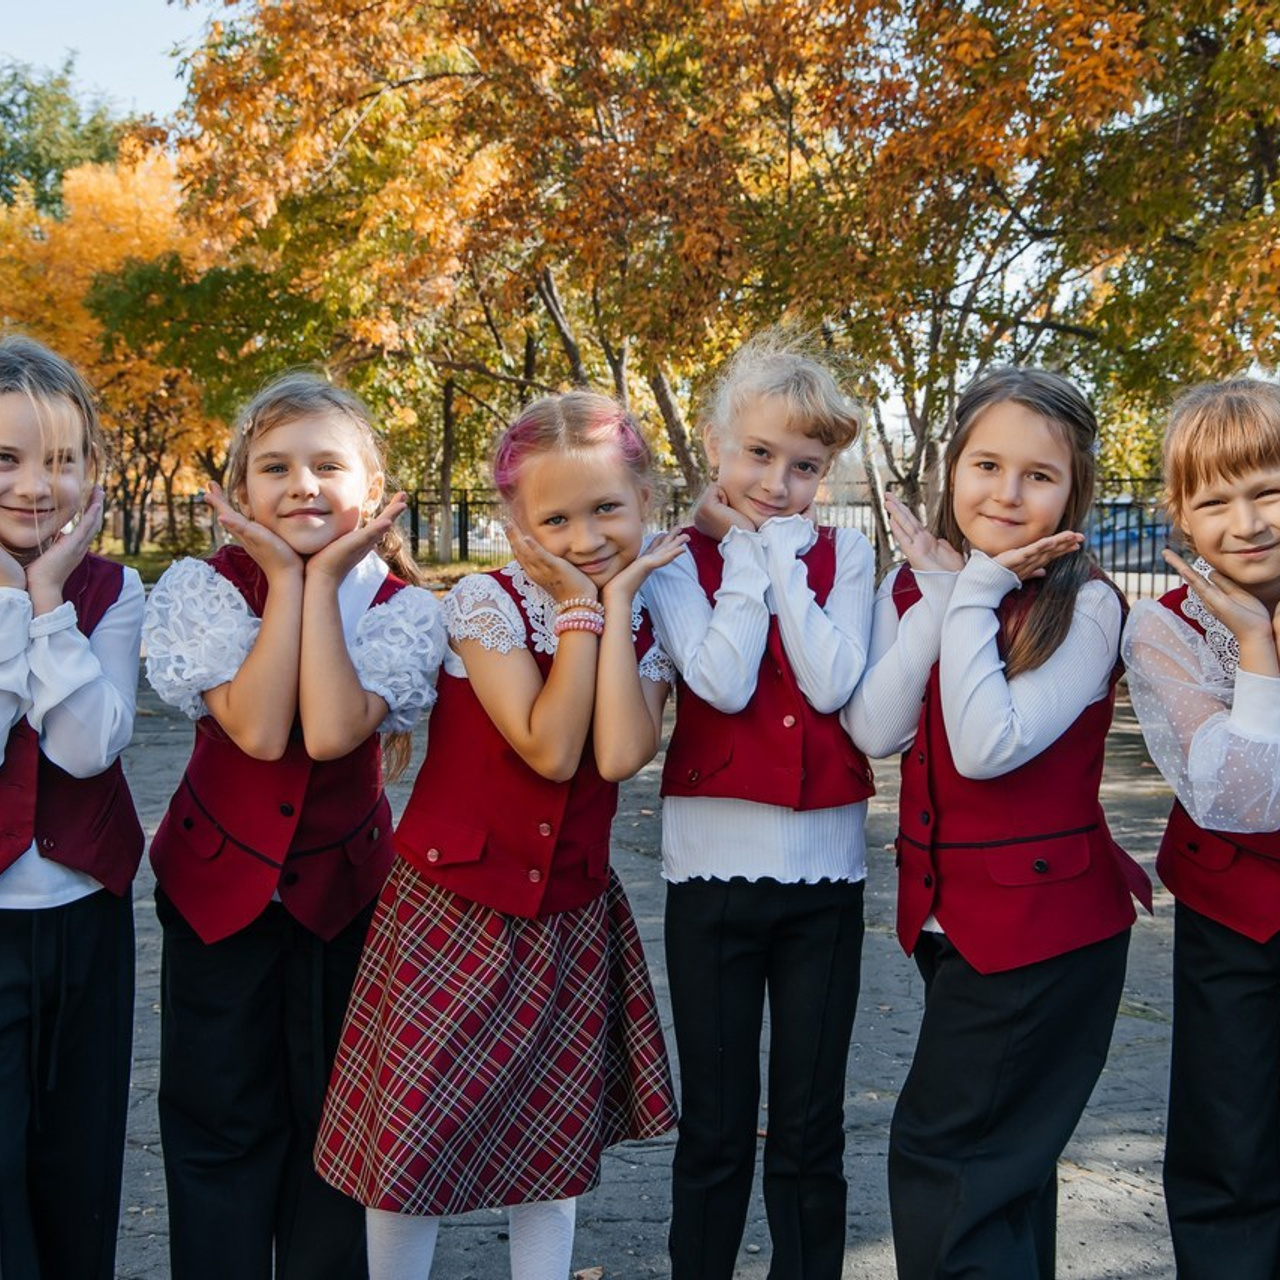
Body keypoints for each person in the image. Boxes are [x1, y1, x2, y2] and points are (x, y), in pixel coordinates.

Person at [315, 390, 681, 1279]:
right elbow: (552, 749)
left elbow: (624, 749)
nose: (586, 538)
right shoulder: (485, 604)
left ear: (649, 507)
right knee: (412, 1138)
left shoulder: (650, 617)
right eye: (555, 518)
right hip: (452, 904)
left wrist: (619, 607)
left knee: (548, 1138)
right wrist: (581, 612)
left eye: (608, 510)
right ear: (515, 525)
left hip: (568, 912)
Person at [844, 366, 1151, 1280]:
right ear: (950, 469)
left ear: (1075, 488)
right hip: (959, 928)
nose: (1006, 493)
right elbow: (875, 727)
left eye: (1038, 475)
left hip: (1045, 939)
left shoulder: (1087, 604)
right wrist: (946, 595)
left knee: (947, 1160)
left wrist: (971, 595)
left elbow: (986, 747)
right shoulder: (930, 589)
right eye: (986, 464)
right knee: (1000, 1176)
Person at [143, 372, 444, 1280]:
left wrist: (321, 585)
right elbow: (261, 729)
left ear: (373, 487)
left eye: (327, 465)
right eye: (274, 467)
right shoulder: (204, 587)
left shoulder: (404, 607)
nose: (302, 485)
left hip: (344, 900)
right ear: (239, 493)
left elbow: (330, 729)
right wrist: (284, 576)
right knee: (218, 1123)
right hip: (213, 895)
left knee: (335, 1131)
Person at [642, 333, 875, 1279]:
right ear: (714, 445)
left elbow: (829, 686)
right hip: (711, 874)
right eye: (758, 455)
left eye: (805, 465)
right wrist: (741, 553)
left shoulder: (847, 553)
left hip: (826, 872)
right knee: (717, 1121)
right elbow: (722, 682)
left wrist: (778, 554)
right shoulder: (672, 564)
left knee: (811, 1123)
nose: (779, 482)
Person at [1122, 378, 1280, 1279]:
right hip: (1235, 916)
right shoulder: (1163, 628)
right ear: (1179, 516)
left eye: (1267, 489)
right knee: (1230, 1144)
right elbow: (1234, 796)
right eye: (1215, 500)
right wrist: (1256, 649)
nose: (1247, 520)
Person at [0, 333, 143, 1280]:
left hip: (87, 914)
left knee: (79, 1163)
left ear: (91, 470)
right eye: (6, 460)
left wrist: (48, 602)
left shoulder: (113, 589)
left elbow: (91, 749)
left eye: (59, 460)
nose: (34, 486)